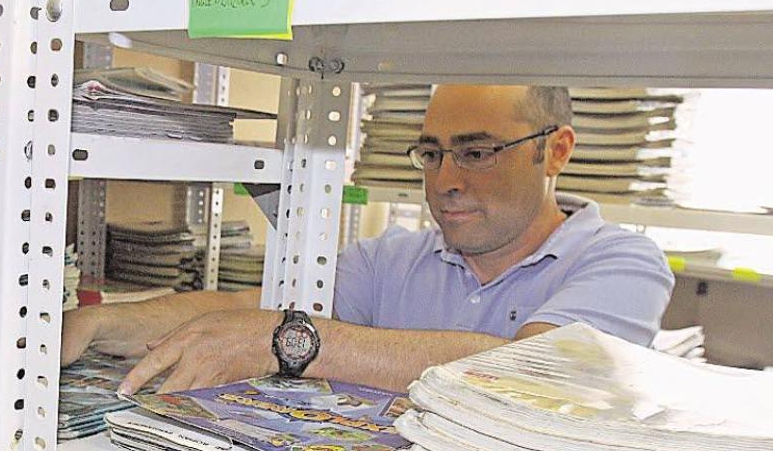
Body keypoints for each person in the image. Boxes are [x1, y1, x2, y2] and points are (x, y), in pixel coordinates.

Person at [61, 85, 674, 394]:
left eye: (477, 152)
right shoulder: (394, 258)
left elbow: (533, 374)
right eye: (431, 154)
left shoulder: (621, 262)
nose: (447, 181)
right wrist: (108, 322)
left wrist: (292, 342)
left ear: (555, 151)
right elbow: (254, 310)